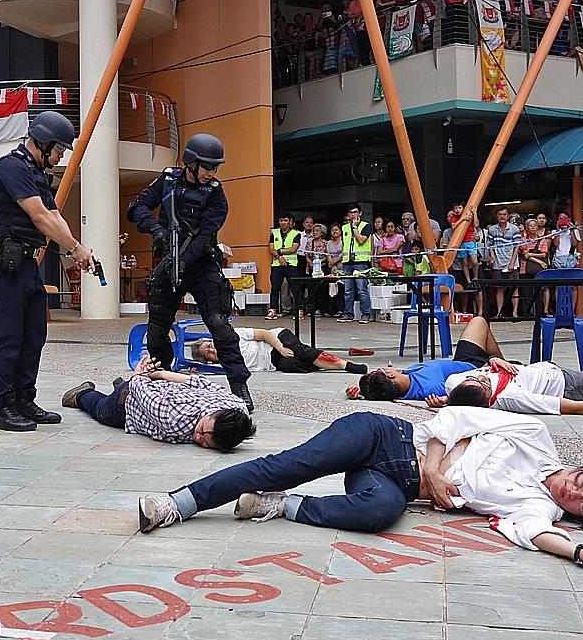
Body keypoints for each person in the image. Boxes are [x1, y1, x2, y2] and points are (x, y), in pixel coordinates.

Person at [135, 408, 583, 580]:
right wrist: (438, 472)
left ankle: (281, 508)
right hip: (386, 436)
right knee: (287, 465)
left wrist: (582, 554)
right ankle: (177, 503)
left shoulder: (535, 508)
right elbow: (455, 416)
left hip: (392, 483)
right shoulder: (533, 437)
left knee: (381, 511)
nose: (572, 489)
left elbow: (536, 535)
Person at [0, 110, 94, 432]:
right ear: (43, 143)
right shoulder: (12, 167)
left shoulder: (36, 172)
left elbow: (55, 216)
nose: (60, 157)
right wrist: (75, 249)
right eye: (59, 150)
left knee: (33, 335)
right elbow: (40, 218)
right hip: (3, 264)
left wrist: (78, 251)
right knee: (8, 336)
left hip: (26, 263)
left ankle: (23, 399)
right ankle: (0, 407)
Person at [349, 315, 583, 414]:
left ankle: (508, 360)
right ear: (389, 378)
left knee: (478, 322)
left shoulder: (398, 383)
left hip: (482, 366)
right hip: (478, 371)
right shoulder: (429, 392)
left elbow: (376, 392)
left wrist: (360, 390)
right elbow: (448, 403)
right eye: (385, 371)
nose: (387, 366)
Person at [129, 134, 253, 410]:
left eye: (215, 167)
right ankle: (162, 381)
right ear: (191, 163)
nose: (212, 172)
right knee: (158, 332)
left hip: (201, 263)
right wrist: (156, 229)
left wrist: (184, 260)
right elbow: (136, 208)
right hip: (168, 261)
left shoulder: (216, 193)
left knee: (219, 325)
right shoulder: (168, 181)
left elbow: (206, 234)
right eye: (208, 166)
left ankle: (239, 386)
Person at [60, 355, 255, 449]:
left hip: (150, 393)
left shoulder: (237, 412)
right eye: (202, 430)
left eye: (205, 442)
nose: (198, 436)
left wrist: (146, 377)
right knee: (101, 410)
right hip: (129, 403)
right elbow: (196, 381)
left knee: (130, 387)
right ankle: (82, 394)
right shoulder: (176, 420)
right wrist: (154, 374)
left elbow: (198, 382)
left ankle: (121, 387)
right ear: (216, 412)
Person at [191, 327, 366, 375]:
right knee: (294, 365)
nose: (212, 349)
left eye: (209, 345)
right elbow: (205, 374)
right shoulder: (225, 365)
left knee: (300, 351)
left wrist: (280, 347)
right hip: (273, 363)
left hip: (276, 340)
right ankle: (325, 363)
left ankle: (348, 366)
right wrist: (195, 370)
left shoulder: (232, 335)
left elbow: (264, 334)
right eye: (208, 353)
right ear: (210, 361)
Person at [337, 205, 373, 323]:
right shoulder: (344, 228)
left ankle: (366, 314)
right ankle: (348, 314)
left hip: (361, 261)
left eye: (356, 212)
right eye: (351, 213)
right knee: (347, 290)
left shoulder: (366, 226)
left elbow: (361, 240)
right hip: (347, 262)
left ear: (360, 213)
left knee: (362, 289)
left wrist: (354, 227)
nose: (353, 215)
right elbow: (344, 245)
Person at [265, 213, 301, 320]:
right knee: (275, 288)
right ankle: (273, 310)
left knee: (295, 288)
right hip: (277, 265)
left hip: (291, 265)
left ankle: (300, 310)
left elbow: (293, 249)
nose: (283, 223)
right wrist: (280, 256)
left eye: (285, 220)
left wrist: (279, 251)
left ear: (290, 222)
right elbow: (271, 249)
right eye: (281, 220)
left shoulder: (296, 233)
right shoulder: (274, 233)